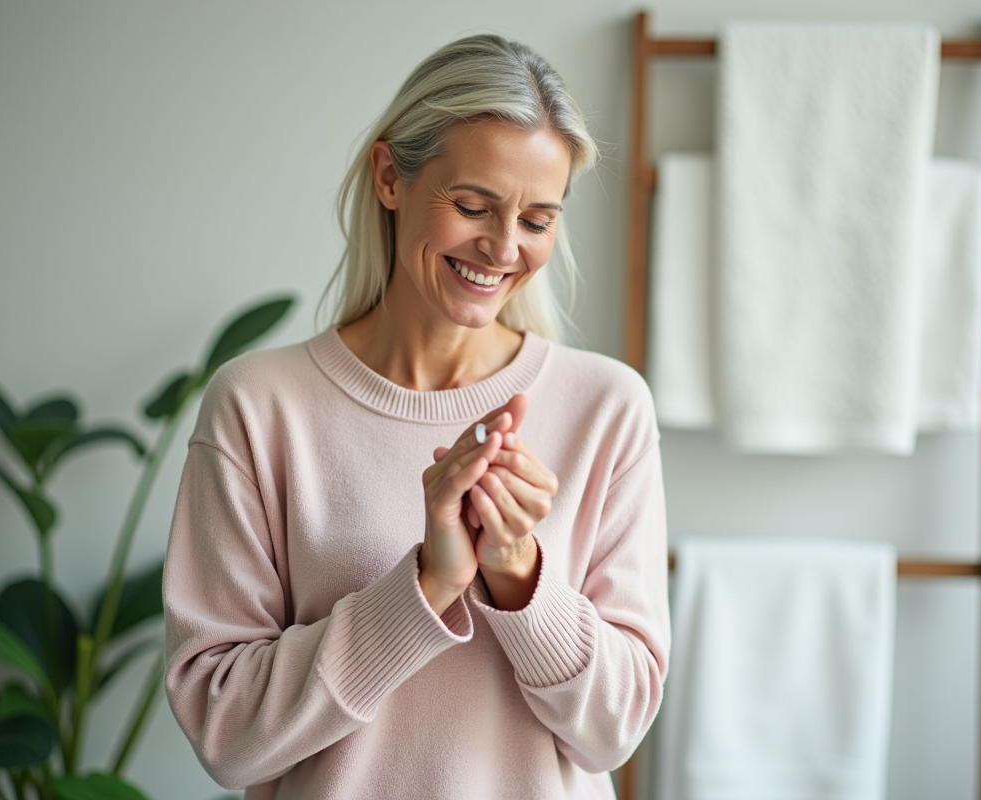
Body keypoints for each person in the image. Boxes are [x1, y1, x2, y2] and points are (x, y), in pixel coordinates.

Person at [163, 34, 669, 800]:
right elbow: (226, 734)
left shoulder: (608, 409)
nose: (502, 248)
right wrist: (429, 584)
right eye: (473, 206)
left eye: (537, 219)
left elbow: (615, 731)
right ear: (389, 176)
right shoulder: (260, 407)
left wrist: (518, 574)